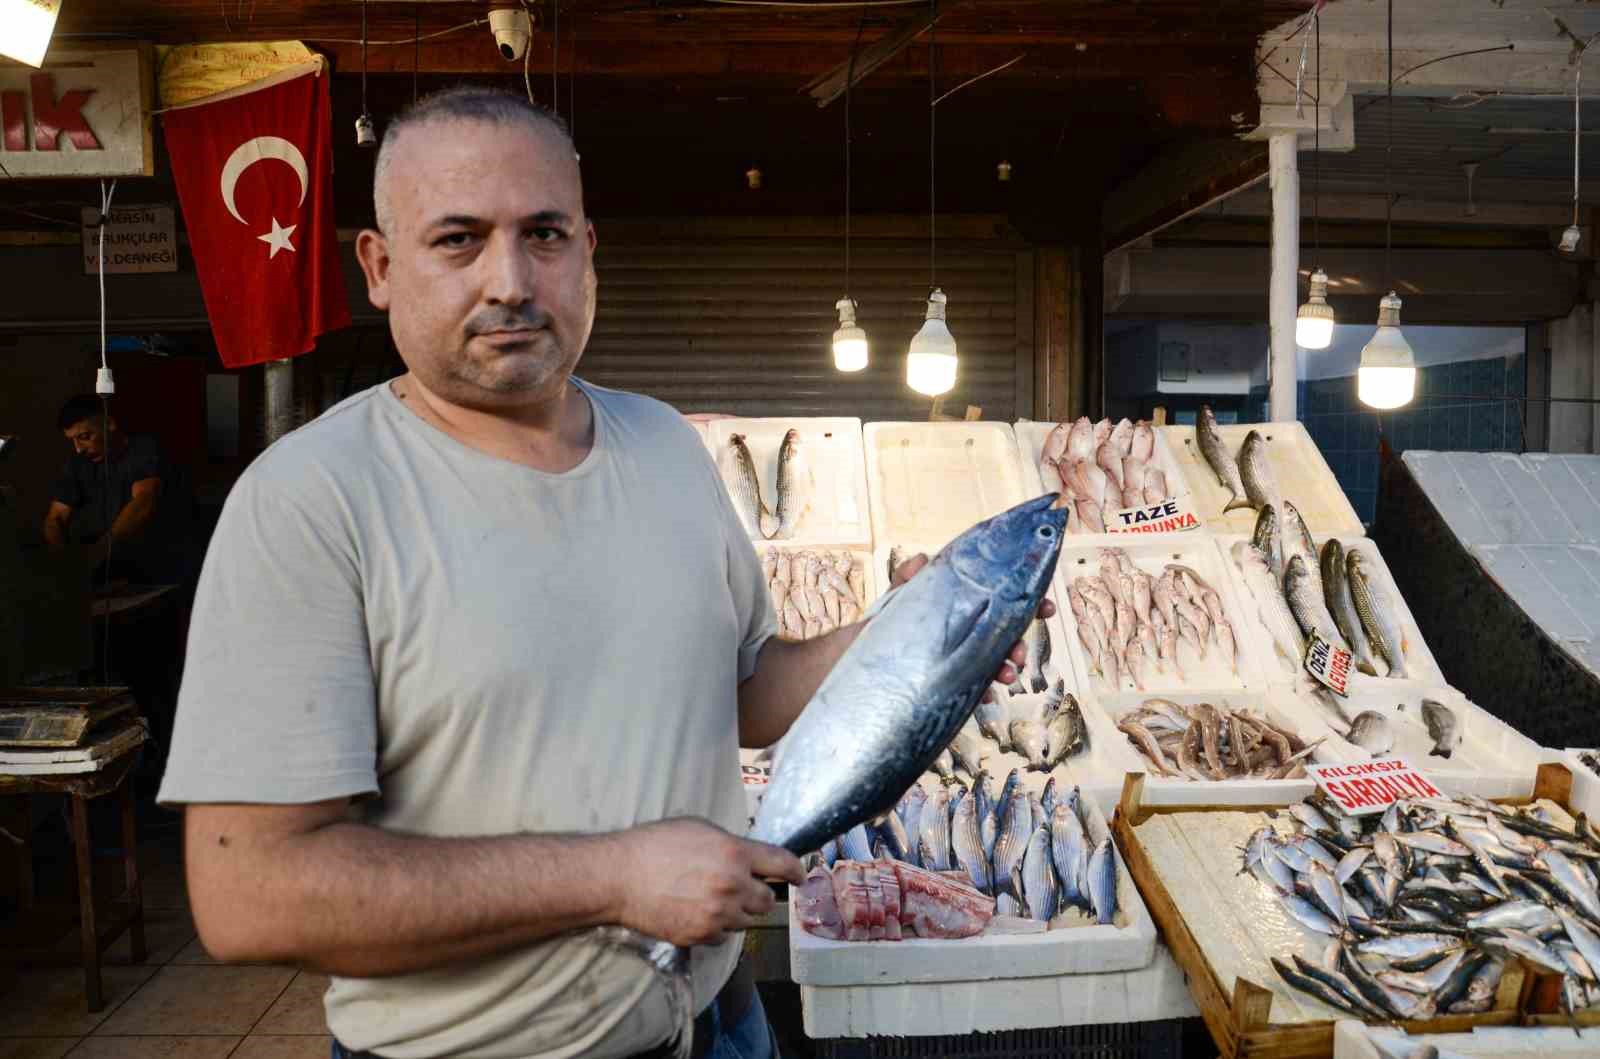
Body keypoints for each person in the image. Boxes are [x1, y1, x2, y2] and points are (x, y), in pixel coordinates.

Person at [157, 87, 1048, 1059]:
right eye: (457, 239)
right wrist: (614, 879)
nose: (509, 279)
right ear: (377, 266)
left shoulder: (662, 443)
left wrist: (895, 638)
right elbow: (247, 894)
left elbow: (742, 693)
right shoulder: (309, 501)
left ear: (588, 251)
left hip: (722, 1023)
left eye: (543, 234)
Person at [43, 394, 192, 586]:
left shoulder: (144, 449)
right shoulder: (77, 463)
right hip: (102, 571)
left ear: (110, 424)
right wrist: (62, 561)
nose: (79, 448)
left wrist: (98, 554)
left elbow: (144, 500)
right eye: (72, 441)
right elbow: (56, 517)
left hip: (151, 566)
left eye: (85, 437)